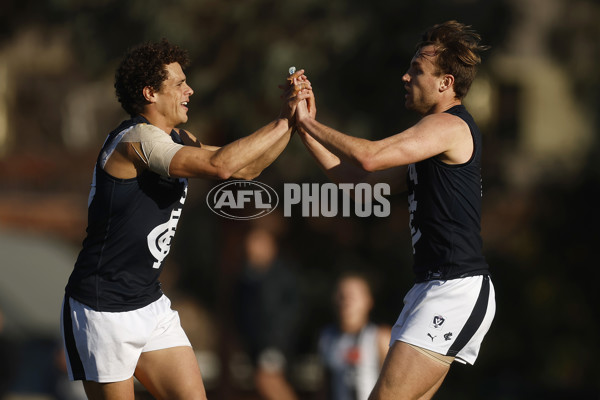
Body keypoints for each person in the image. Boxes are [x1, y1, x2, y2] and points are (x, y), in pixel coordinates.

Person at [60, 39, 309, 400]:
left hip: (149, 302)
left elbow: (248, 168)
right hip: (103, 307)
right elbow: (221, 165)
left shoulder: (178, 138)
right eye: (178, 83)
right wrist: (281, 119)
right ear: (150, 93)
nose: (189, 90)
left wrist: (293, 121)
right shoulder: (134, 142)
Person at [290, 21, 496, 399]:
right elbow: (362, 185)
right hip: (431, 288)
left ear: (445, 83)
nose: (406, 76)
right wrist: (305, 132)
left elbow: (370, 157)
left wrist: (311, 123)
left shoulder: (448, 126)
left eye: (417, 69)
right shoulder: (432, 139)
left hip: (454, 289)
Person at [234, 222, 302, 400]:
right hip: (255, 346)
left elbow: (292, 310)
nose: (251, 249)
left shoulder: (283, 275)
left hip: (276, 343)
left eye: (257, 243)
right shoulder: (246, 278)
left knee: (267, 380)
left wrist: (277, 338)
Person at [318, 273, 391, 400]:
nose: (346, 300)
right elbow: (324, 386)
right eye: (341, 295)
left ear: (369, 301)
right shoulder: (327, 337)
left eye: (353, 295)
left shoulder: (380, 337)